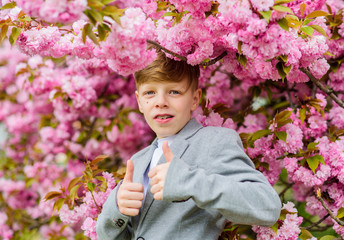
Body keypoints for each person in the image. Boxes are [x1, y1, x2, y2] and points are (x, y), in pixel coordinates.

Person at [96, 49, 281, 240]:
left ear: (194, 99)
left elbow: (267, 207)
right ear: (140, 102)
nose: (161, 102)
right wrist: (116, 208)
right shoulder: (138, 160)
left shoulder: (214, 141)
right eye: (150, 92)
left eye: (174, 91)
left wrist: (190, 182)